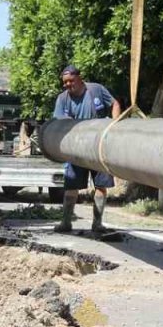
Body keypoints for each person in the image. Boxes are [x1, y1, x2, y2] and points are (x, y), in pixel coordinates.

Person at [51, 66, 121, 233]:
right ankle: (66, 222)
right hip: (75, 149)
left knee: (101, 186)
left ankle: (97, 223)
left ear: (79, 78)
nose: (68, 84)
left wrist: (115, 125)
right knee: (71, 187)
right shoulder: (63, 99)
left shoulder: (96, 90)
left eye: (71, 81)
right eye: (65, 82)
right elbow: (58, 119)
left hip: (99, 148)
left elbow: (115, 103)